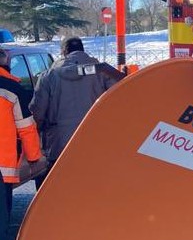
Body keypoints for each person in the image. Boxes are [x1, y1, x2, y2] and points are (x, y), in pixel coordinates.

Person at [29, 37, 124, 174]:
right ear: (83, 50)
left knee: (62, 182)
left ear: (63, 52)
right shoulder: (103, 72)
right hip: (98, 140)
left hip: (59, 143)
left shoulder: (48, 77)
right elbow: (121, 99)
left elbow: (38, 110)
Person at [0, 46, 43, 240]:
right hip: (1, 167)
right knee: (1, 220)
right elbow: (26, 128)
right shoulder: (11, 89)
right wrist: (35, 157)